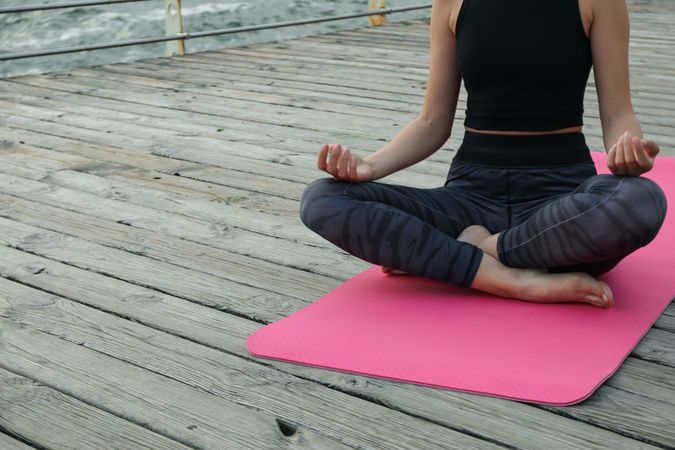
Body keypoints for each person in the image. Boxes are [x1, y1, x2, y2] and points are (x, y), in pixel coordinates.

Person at [299, 0, 667, 308]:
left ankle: (471, 251)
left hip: (559, 202)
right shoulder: (453, 2)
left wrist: (627, 150)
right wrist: (368, 167)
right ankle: (510, 279)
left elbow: (618, 113)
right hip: (470, 196)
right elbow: (431, 122)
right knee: (324, 199)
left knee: (640, 200)